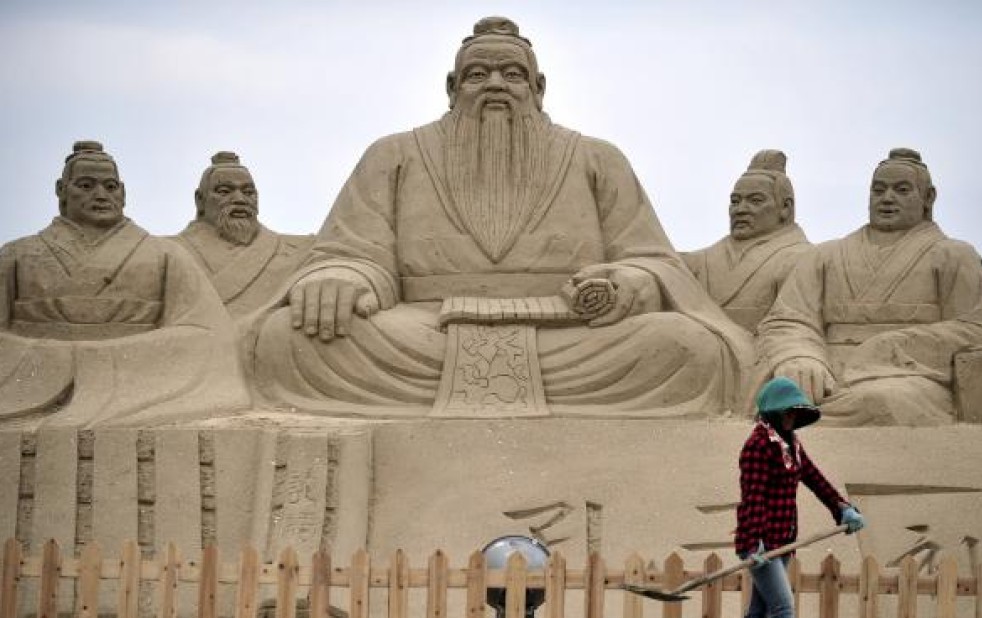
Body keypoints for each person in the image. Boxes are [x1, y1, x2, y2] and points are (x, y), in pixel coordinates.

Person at [249, 17, 752, 417]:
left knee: (689, 348)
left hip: (570, 340)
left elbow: (651, 259)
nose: (495, 84)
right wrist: (340, 276)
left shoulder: (597, 158)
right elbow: (352, 251)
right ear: (453, 86)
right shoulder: (394, 154)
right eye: (477, 74)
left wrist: (631, 281)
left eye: (512, 74)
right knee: (285, 340)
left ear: (538, 86)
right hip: (423, 335)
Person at [0, 141, 249, 427]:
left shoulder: (165, 254)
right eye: (86, 185)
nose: (101, 195)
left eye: (110, 186)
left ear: (124, 192)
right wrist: (53, 356)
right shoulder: (17, 254)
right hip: (32, 376)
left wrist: (94, 358)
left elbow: (209, 336)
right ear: (61, 190)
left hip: (139, 373)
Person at [758, 148, 982, 425]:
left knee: (881, 401)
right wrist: (800, 356)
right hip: (826, 370)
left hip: (908, 375)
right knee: (776, 399)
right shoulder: (825, 256)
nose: (887, 198)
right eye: (878, 190)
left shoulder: (954, 255)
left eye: (901, 190)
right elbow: (788, 319)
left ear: (928, 198)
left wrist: (890, 346)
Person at [730, 376, 865, 618]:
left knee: (758, 612)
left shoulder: (791, 444)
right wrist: (753, 543)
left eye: (796, 412)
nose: (792, 417)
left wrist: (842, 508)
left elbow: (816, 480)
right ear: (774, 413)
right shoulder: (757, 446)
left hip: (783, 540)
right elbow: (753, 497)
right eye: (788, 411)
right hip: (762, 544)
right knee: (783, 608)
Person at [682, 150, 813, 333]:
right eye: (735, 201)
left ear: (785, 207)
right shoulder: (700, 261)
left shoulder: (803, 259)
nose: (740, 209)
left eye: (755, 201)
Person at [176, 151, 312, 317]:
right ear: (200, 200)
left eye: (248, 192)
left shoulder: (301, 249)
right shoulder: (167, 251)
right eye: (225, 191)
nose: (240, 199)